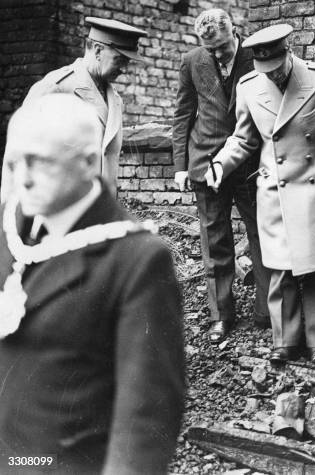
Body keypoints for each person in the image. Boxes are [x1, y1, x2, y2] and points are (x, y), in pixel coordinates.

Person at [0, 94, 184, 474]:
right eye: (15, 162)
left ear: (88, 164)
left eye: (41, 162)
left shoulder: (135, 259)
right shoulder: (11, 230)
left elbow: (146, 416)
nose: (24, 178)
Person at [205, 24, 315, 367]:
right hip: (275, 190)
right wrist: (221, 163)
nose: (273, 76)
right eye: (264, 70)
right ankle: (285, 342)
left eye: (277, 69)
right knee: (280, 272)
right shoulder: (250, 87)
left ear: (288, 54)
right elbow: (243, 139)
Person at [173, 8, 270, 342]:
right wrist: (181, 166)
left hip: (250, 163)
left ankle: (266, 312)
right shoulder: (192, 61)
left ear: (235, 32)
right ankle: (221, 316)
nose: (215, 54)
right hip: (206, 161)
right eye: (209, 49)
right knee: (214, 241)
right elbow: (183, 112)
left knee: (261, 234)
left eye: (221, 47)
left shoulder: (256, 55)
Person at [1, 17, 147, 201]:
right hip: (58, 207)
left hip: (99, 209)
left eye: (127, 62)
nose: (124, 69)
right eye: (120, 60)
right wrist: (12, 219)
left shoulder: (114, 99)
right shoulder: (56, 86)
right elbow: (18, 156)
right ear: (98, 50)